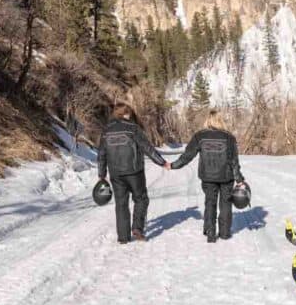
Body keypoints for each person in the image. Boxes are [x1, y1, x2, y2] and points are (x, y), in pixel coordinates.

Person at [97, 103, 170, 244]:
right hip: (134, 172)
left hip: (116, 174)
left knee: (121, 204)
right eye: (128, 113)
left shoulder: (106, 131)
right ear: (126, 114)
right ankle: (137, 228)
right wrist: (162, 162)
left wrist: (101, 173)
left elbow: (101, 154)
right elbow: (147, 148)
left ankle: (123, 237)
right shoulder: (133, 128)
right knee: (141, 199)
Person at [171, 110, 244, 243]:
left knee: (210, 202)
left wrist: (173, 165)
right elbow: (234, 160)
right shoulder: (229, 137)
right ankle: (225, 233)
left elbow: (187, 155)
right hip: (226, 176)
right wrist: (239, 178)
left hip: (208, 176)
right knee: (226, 203)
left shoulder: (200, 136)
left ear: (208, 120)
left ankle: (211, 232)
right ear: (221, 121)